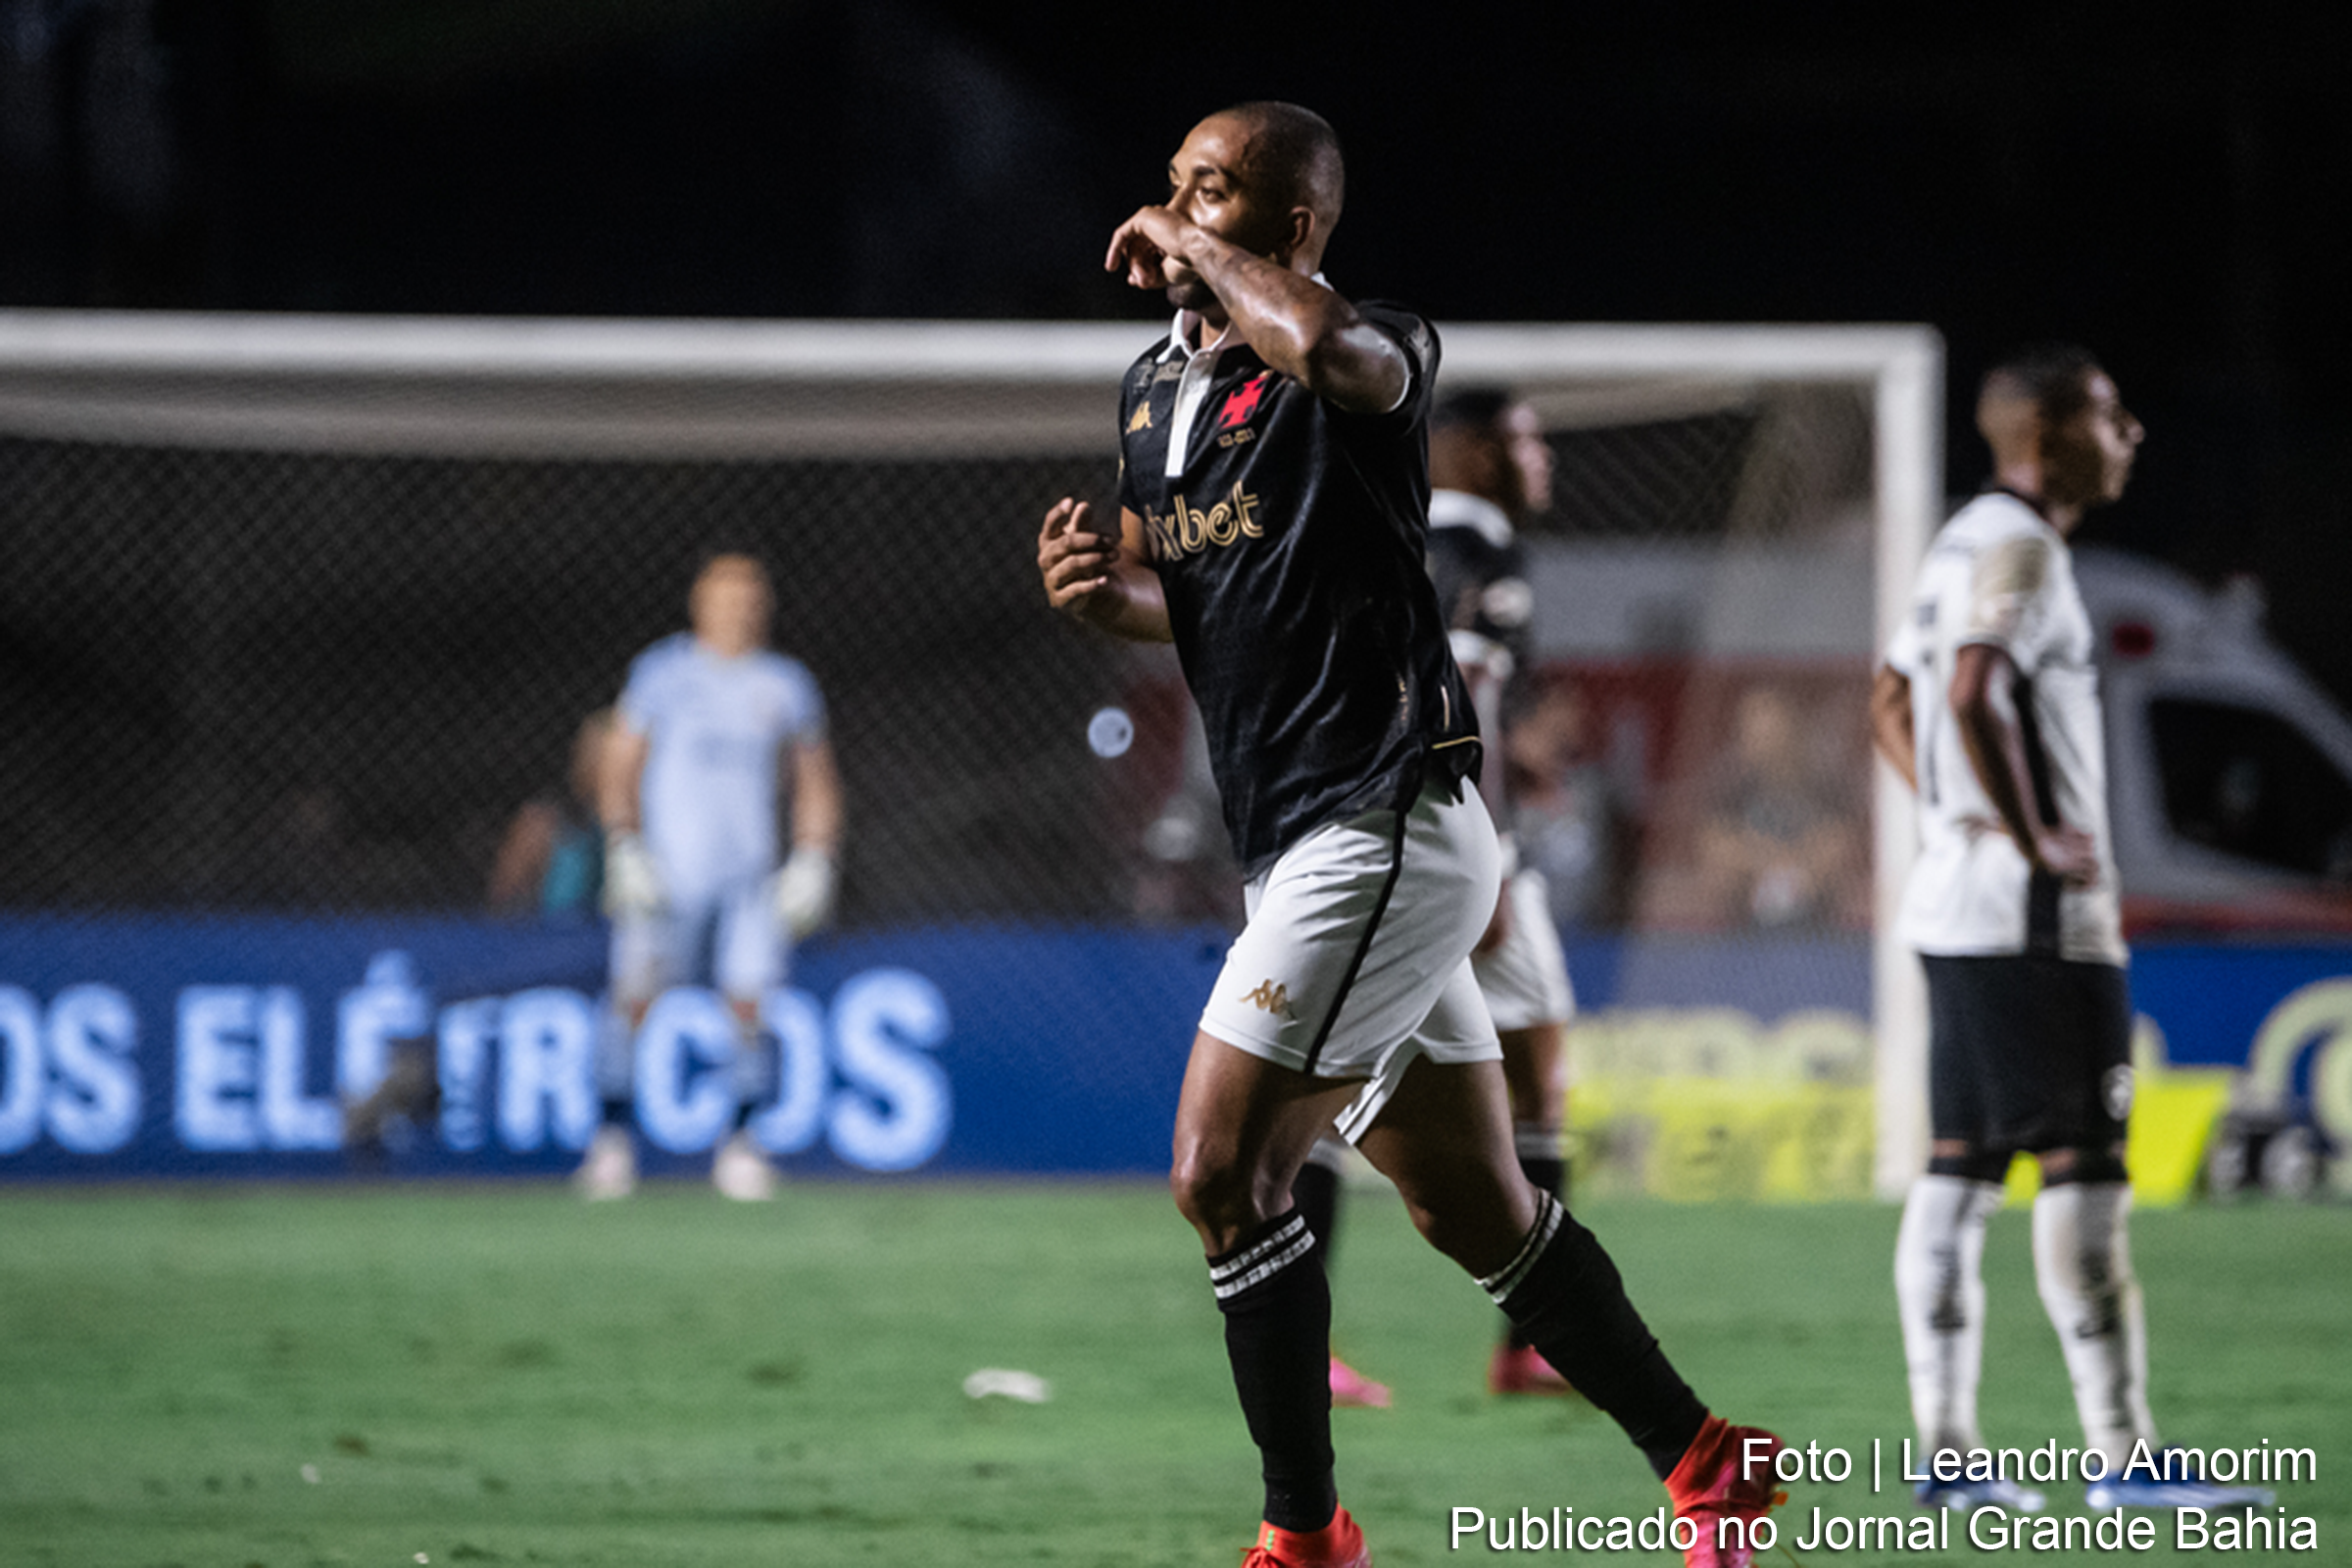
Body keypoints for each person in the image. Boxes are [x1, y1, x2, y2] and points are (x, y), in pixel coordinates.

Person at [1036, 101, 1781, 1568]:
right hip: (1304, 840)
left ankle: (1304, 1539)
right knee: (1472, 1208)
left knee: (1217, 1170)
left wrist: (1196, 249)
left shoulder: (1367, 351)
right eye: (1173, 184)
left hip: (1378, 816)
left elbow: (1326, 351)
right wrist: (1093, 594)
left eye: (1217, 194)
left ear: (1292, 226)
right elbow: (1191, 606)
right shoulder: (1150, 394)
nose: (1178, 210)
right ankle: (1707, 1462)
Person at [1872, 344, 2276, 1515]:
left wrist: (1956, 819)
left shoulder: (1956, 543)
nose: (2132, 431)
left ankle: (1947, 1454)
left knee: (1961, 1169)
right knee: (2084, 1170)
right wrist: (2034, 832)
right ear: (2047, 437)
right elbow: (1966, 690)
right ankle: (2123, 1456)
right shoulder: (2025, 548)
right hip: (2034, 918)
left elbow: (1892, 699)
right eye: (2108, 413)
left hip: (1957, 902)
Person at [1292, 387, 1583, 1403]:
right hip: (1454, 844)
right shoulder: (1474, 547)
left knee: (1335, 1090)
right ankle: (1531, 1341)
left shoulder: (1411, 538)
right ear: (1468, 450)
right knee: (1527, 1072)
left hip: (1397, 828)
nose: (1542, 456)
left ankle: (1522, 1343)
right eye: (1524, 437)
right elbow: (1451, 691)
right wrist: (1489, 842)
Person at [573, 549, 845, 1201]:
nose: (738, 608)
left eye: (750, 596)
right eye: (726, 595)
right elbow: (620, 764)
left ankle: (741, 1145)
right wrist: (623, 843)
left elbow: (813, 780)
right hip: (666, 877)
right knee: (633, 1000)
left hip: (749, 880)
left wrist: (814, 857)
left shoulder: (784, 684)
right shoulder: (661, 674)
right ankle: (611, 1143)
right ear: (700, 602)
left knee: (750, 1009)